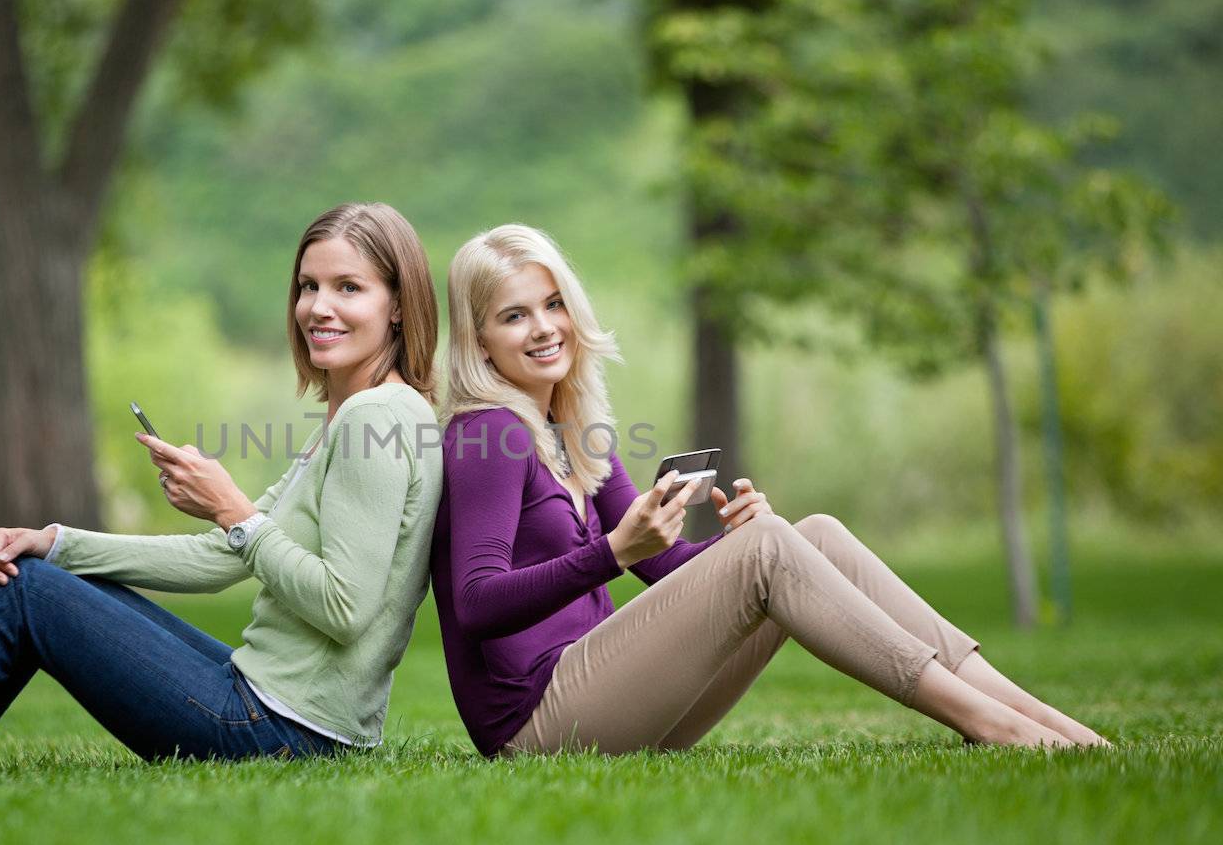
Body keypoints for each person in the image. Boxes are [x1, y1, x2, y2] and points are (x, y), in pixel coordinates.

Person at [0, 203, 442, 787]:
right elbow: (220, 559)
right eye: (307, 286)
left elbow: (346, 607)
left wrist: (237, 511)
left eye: (349, 287)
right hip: (278, 707)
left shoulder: (377, 417)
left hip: (282, 729)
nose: (318, 306)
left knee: (24, 595)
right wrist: (58, 541)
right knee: (37, 576)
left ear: (400, 306)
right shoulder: (357, 415)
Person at [430, 224, 1109, 758]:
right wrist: (612, 551)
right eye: (515, 316)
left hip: (607, 700)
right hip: (539, 725)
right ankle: (989, 724)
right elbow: (475, 602)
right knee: (772, 551)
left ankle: (1040, 718)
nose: (546, 326)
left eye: (553, 304)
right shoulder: (487, 435)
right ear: (480, 341)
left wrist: (734, 544)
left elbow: (661, 566)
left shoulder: (567, 427)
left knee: (810, 534)